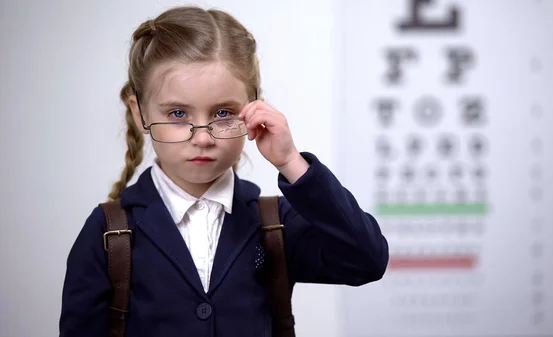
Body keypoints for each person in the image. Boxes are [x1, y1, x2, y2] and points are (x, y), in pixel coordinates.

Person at [59, 5, 389, 337]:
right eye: (177, 113)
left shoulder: (273, 223)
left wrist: (290, 161)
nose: (202, 138)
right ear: (140, 112)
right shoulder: (108, 233)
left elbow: (366, 259)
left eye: (222, 112)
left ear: (254, 109)